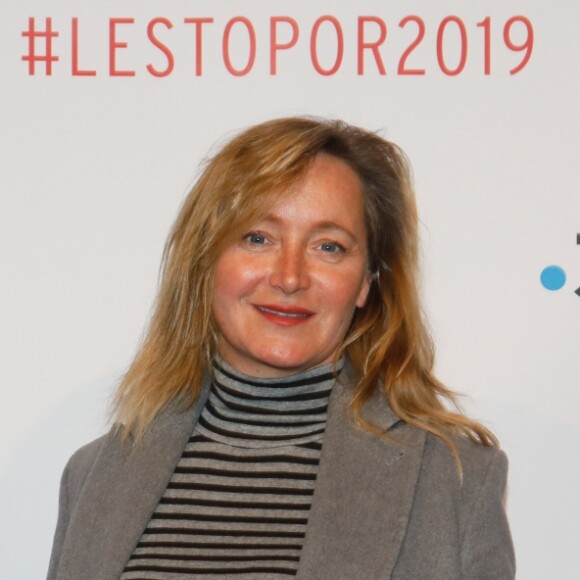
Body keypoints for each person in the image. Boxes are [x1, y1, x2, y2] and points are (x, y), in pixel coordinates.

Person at [47, 117, 515, 579]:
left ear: (366, 281)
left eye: (329, 247)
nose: (290, 277)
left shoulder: (456, 482)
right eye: (257, 238)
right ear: (204, 262)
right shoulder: (94, 476)